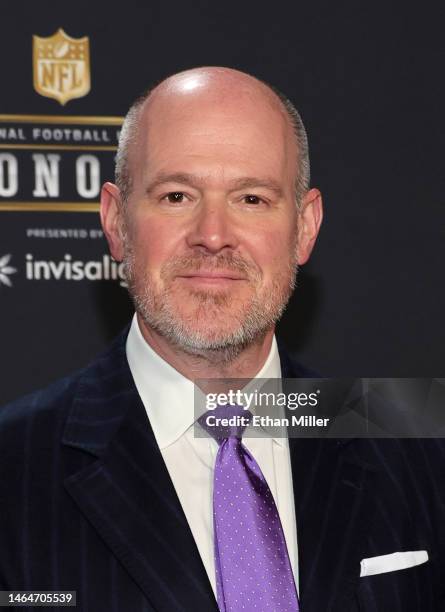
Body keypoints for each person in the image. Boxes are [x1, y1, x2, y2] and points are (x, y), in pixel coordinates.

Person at [0, 67, 444, 612]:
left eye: (251, 199)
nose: (213, 235)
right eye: (177, 195)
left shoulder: (414, 440)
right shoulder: (13, 467)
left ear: (304, 227)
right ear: (116, 222)